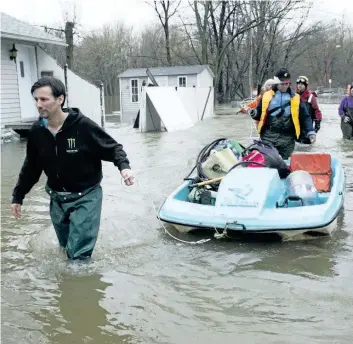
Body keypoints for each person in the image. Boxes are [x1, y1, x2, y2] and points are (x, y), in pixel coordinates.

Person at [11, 76, 134, 260]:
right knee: (64, 248)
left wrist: (124, 168)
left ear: (60, 99)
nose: (38, 104)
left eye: (44, 99)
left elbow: (113, 148)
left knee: (77, 257)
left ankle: (78, 285)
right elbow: (31, 167)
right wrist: (18, 196)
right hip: (57, 198)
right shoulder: (37, 131)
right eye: (36, 99)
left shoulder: (83, 126)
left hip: (86, 197)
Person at [251, 68, 316, 159]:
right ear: (276, 83)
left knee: (285, 164)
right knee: (269, 160)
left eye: (287, 83)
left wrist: (311, 132)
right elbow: (258, 114)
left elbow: (305, 117)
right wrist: (254, 113)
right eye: (283, 83)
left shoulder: (296, 98)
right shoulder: (266, 96)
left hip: (288, 138)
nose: (285, 86)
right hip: (268, 136)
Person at [295, 76, 323, 143]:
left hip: (307, 125)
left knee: (306, 144)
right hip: (296, 126)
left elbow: (316, 110)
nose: (300, 86)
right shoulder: (293, 95)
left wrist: (317, 122)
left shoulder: (311, 96)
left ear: (306, 85)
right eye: (298, 84)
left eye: (302, 84)